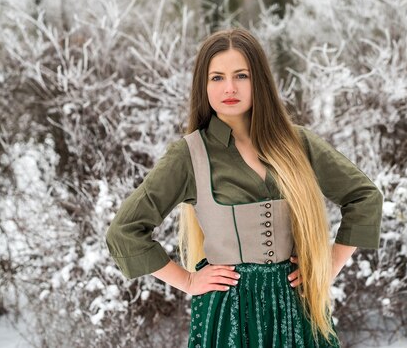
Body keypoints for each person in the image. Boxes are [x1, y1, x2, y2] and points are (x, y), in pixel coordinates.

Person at [105, 27, 383, 347]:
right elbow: (124, 231)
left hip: (297, 307)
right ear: (203, 85)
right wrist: (187, 280)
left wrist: (327, 267)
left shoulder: (298, 143)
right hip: (228, 314)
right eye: (217, 78)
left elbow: (365, 197)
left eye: (241, 75)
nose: (230, 87)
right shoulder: (190, 154)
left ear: (259, 81)